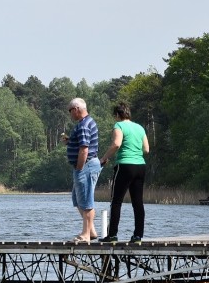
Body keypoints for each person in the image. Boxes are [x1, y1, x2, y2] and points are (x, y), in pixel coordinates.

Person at [100, 102, 150, 244]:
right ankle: (138, 236)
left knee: (116, 201)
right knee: (138, 202)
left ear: (117, 115)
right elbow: (146, 149)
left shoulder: (119, 126)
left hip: (125, 165)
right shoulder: (139, 128)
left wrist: (104, 158)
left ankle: (113, 235)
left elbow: (116, 144)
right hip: (140, 166)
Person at [64, 98, 101, 243]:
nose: (70, 114)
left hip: (86, 166)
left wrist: (79, 168)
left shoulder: (84, 125)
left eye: (70, 111)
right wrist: (70, 141)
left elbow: (84, 150)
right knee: (77, 199)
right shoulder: (85, 123)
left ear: (76, 109)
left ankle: (85, 234)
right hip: (86, 166)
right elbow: (82, 143)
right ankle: (91, 231)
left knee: (85, 200)